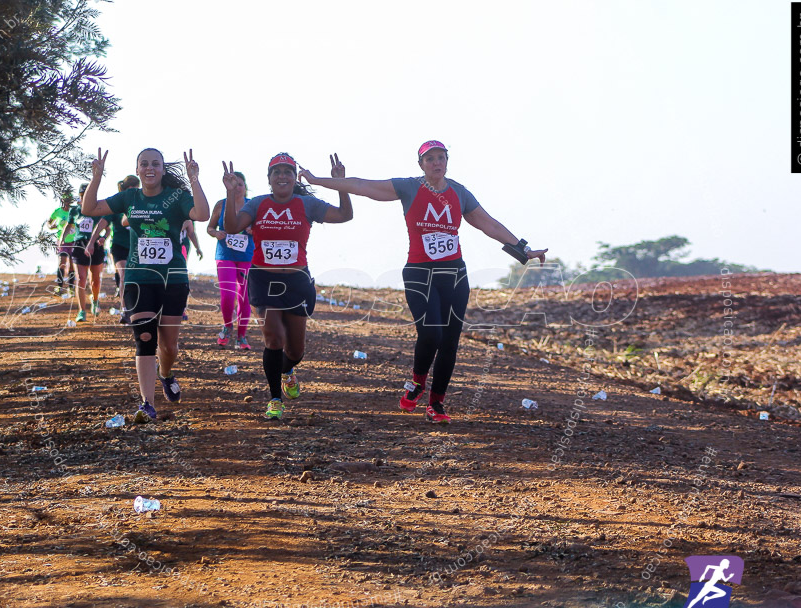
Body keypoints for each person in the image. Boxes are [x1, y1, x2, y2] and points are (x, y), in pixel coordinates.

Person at [300, 142, 546, 424]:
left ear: (447, 162)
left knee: (450, 341)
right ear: (421, 164)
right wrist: (318, 180)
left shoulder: (459, 192)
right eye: (430, 159)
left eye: (441, 158)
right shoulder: (409, 187)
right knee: (431, 335)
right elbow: (363, 186)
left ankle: (437, 403)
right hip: (419, 272)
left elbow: (488, 224)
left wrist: (523, 249)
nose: (436, 163)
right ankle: (417, 381)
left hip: (454, 273)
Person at [82, 148, 209, 422]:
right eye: (144, 164)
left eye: (155, 164)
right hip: (139, 280)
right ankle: (147, 403)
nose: (150, 168)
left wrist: (194, 179)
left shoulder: (176, 197)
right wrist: (96, 178)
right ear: (137, 170)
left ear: (163, 169)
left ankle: (166, 374)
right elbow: (89, 209)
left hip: (173, 278)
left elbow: (202, 214)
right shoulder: (130, 197)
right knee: (145, 339)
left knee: (170, 347)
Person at [222, 153, 352, 420]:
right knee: (273, 339)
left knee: (295, 351)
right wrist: (230, 194)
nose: (282, 176)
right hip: (263, 279)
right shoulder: (258, 204)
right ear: (269, 179)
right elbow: (232, 226)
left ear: (294, 178)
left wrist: (342, 184)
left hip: (296, 281)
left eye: (287, 172)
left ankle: (288, 372)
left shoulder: (307, 204)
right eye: (276, 172)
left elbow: (344, 215)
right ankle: (274, 399)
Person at [206, 171, 254, 349]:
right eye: (234, 184)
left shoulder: (253, 206)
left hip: (248, 256)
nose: (237, 188)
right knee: (227, 295)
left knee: (245, 297)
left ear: (245, 187)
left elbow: (262, 228)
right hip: (225, 255)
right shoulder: (221, 205)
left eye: (240, 184)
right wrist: (216, 233)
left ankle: (242, 336)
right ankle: (227, 326)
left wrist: (253, 230)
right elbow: (209, 228)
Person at [63, 183, 108, 322]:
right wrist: (61, 240)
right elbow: (68, 225)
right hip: (79, 245)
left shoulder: (100, 209)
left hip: (95, 246)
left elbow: (108, 228)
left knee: (95, 280)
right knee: (80, 278)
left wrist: (103, 238)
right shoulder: (75, 210)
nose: (85, 197)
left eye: (88, 194)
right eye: (83, 195)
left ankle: (95, 300)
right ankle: (82, 310)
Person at [92, 175, 140, 300]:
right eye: (137, 188)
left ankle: (134, 303)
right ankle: (124, 309)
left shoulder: (141, 205)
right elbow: (102, 224)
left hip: (136, 248)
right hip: (119, 246)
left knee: (135, 278)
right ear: (130, 188)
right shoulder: (117, 206)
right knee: (124, 275)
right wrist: (91, 242)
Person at [47, 192, 76, 293]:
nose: (67, 204)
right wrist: (51, 226)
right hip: (62, 241)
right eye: (65, 201)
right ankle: (59, 286)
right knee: (61, 263)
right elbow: (49, 221)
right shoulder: (57, 211)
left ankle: (71, 287)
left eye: (69, 202)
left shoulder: (74, 211)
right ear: (62, 201)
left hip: (73, 241)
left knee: (72, 264)